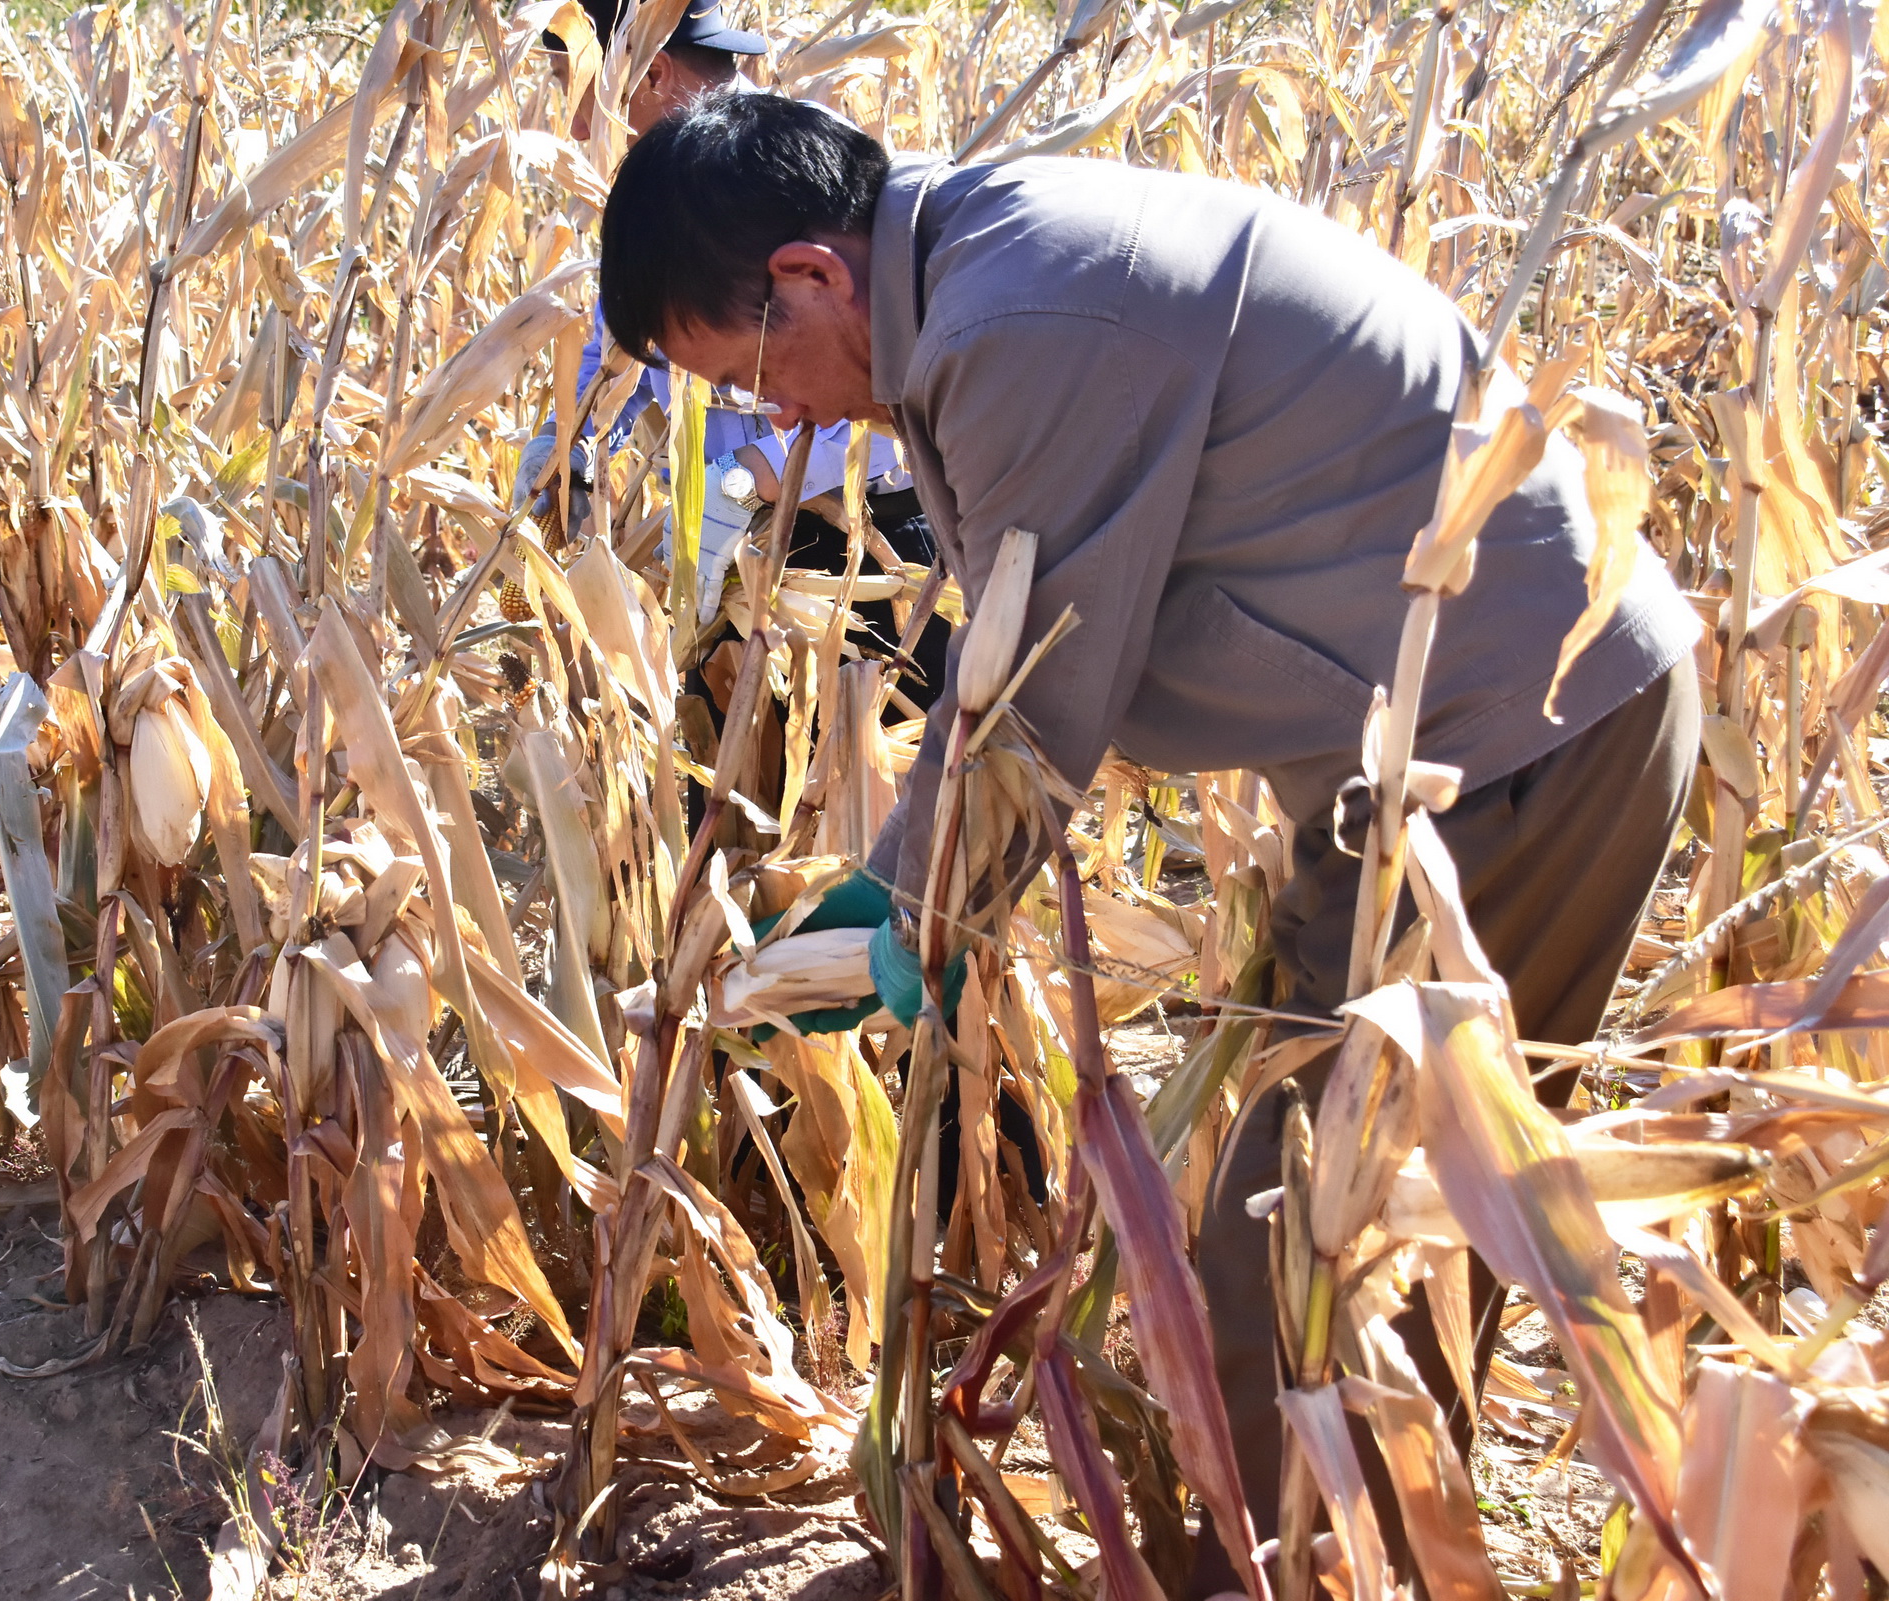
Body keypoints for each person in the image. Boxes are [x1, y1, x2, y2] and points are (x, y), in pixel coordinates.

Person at [598, 92, 1702, 1592]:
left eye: (751, 374)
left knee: (1315, 1251)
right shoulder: (970, 285)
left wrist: (897, 923)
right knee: (1335, 1223)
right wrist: (896, 900)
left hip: (1517, 743)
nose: (774, 420)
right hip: (1419, 767)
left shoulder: (1023, 324)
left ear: (808, 276)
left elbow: (1031, 707)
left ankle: (1315, 1567)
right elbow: (1005, 668)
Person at [521, 0, 947, 706]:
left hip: (864, 560)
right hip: (721, 560)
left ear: (647, 70)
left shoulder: (798, 175)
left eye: (577, 93)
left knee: (867, 794)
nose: (573, 129)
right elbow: (612, 352)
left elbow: (891, 395)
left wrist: (744, 481)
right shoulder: (652, 199)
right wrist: (563, 442)